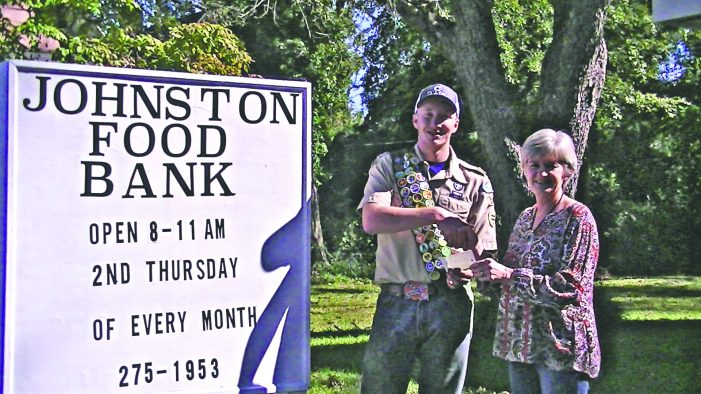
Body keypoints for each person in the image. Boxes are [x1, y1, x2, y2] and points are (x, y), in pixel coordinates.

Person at [357, 83, 498, 394]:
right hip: (397, 301)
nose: (436, 123)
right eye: (429, 114)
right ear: (416, 120)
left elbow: (482, 247)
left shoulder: (475, 180)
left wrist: (463, 268)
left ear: (456, 124)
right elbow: (372, 219)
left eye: (445, 116)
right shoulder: (390, 166)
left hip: (450, 305)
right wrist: (435, 215)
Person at [471, 128, 601, 394]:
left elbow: (571, 287)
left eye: (550, 166)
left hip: (559, 349)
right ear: (524, 170)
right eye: (534, 165)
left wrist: (508, 275)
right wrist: (479, 272)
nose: (541, 174)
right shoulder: (524, 218)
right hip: (519, 344)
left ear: (566, 171)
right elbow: (506, 274)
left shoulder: (578, 218)